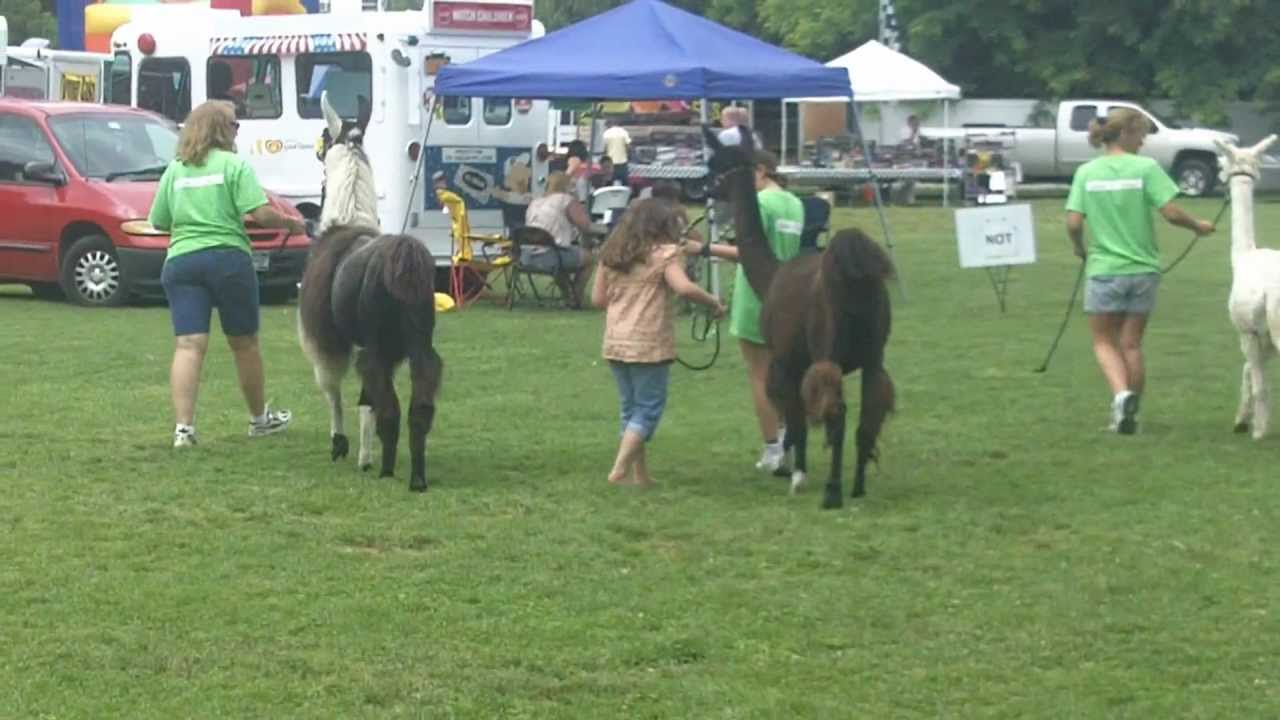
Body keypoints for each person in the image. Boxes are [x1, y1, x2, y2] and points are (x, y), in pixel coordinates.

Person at [148, 100, 306, 448]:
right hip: (228, 261)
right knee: (244, 343)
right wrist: (291, 224)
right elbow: (261, 214)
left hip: (182, 262)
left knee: (188, 345)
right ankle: (258, 420)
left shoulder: (175, 170)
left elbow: (158, 220)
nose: (238, 130)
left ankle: (183, 430)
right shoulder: (234, 166)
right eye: (234, 125)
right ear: (220, 128)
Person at [1065, 107, 1215, 435]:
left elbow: (1074, 222)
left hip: (1104, 269)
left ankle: (1120, 398)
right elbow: (1172, 213)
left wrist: (1078, 247)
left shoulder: (1087, 172)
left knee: (1104, 342)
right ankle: (1130, 412)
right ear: (1126, 134)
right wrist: (1198, 226)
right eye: (1141, 135)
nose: (1144, 142)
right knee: (1131, 344)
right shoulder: (1146, 169)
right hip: (1143, 270)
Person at [591, 198, 726, 486]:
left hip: (615, 341)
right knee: (649, 409)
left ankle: (640, 475)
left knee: (631, 409)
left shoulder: (611, 254)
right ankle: (619, 470)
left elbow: (598, 299)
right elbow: (684, 287)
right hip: (649, 342)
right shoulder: (666, 254)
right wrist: (712, 302)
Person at [684, 150, 804, 471]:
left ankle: (772, 450)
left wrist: (703, 248)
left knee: (760, 375)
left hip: (756, 296)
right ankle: (789, 439)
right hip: (789, 293)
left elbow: (748, 253)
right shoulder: (795, 203)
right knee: (786, 374)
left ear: (761, 171)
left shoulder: (759, 204)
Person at [524, 170, 598, 308]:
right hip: (551, 256)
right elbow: (585, 225)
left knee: (561, 254)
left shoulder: (535, 202)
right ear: (567, 185)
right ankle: (576, 296)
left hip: (527, 257)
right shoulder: (565, 200)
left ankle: (568, 295)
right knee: (589, 259)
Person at [602, 119, 631, 185]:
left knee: (609, 183)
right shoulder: (624, 132)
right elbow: (628, 147)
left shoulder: (607, 133)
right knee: (625, 183)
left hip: (611, 163)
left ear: (610, 125)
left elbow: (604, 148)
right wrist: (628, 155)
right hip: (622, 162)